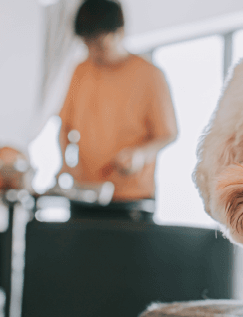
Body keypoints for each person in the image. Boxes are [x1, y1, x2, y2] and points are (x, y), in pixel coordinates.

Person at [57, 0, 177, 219]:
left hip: (132, 197)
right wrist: (66, 164)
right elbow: (65, 126)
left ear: (120, 33)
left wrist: (140, 154)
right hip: (85, 193)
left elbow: (168, 133)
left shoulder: (149, 75)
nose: (94, 53)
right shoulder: (81, 71)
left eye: (101, 45)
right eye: (87, 44)